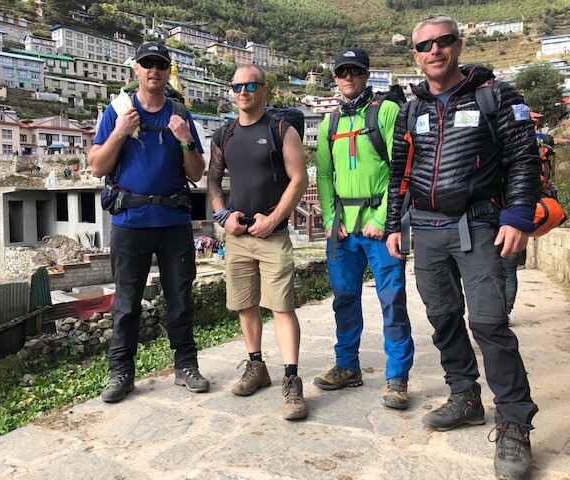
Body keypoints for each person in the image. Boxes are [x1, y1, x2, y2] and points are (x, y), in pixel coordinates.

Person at [385, 14, 540, 480]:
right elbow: (399, 174)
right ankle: (465, 397)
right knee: (443, 317)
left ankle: (514, 423)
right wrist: (395, 224)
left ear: (458, 44)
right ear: (414, 54)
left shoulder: (495, 95)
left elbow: (523, 159)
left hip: (481, 225)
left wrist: (516, 216)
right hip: (427, 230)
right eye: (424, 45)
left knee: (490, 324)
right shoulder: (411, 110)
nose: (434, 51)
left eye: (443, 41)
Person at [89, 41, 209, 403]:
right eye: (147, 64)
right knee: (126, 302)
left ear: (168, 70)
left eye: (160, 64)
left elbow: (197, 173)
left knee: (180, 299)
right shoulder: (118, 111)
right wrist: (120, 131)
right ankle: (121, 373)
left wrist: (186, 140)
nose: (153, 70)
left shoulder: (179, 114)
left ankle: (186, 365)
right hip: (130, 221)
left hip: (173, 221)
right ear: (136, 70)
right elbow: (97, 166)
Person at [207, 64, 309, 420]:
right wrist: (224, 216)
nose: (243, 91)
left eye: (251, 85)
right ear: (230, 91)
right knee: (245, 304)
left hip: (272, 234)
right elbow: (214, 184)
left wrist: (274, 219)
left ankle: (292, 380)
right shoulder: (224, 134)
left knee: (281, 307)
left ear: (265, 90)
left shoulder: (282, 129)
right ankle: (256, 366)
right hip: (238, 236)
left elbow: (298, 179)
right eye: (237, 86)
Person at [314, 48, 414, 409]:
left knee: (392, 299)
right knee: (343, 299)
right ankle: (347, 366)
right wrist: (328, 219)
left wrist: (382, 220)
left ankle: (397, 376)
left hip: (381, 226)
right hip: (343, 229)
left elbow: (401, 169)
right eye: (342, 72)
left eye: (355, 71)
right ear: (335, 77)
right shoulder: (329, 124)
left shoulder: (386, 111)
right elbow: (324, 175)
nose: (348, 77)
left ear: (367, 74)